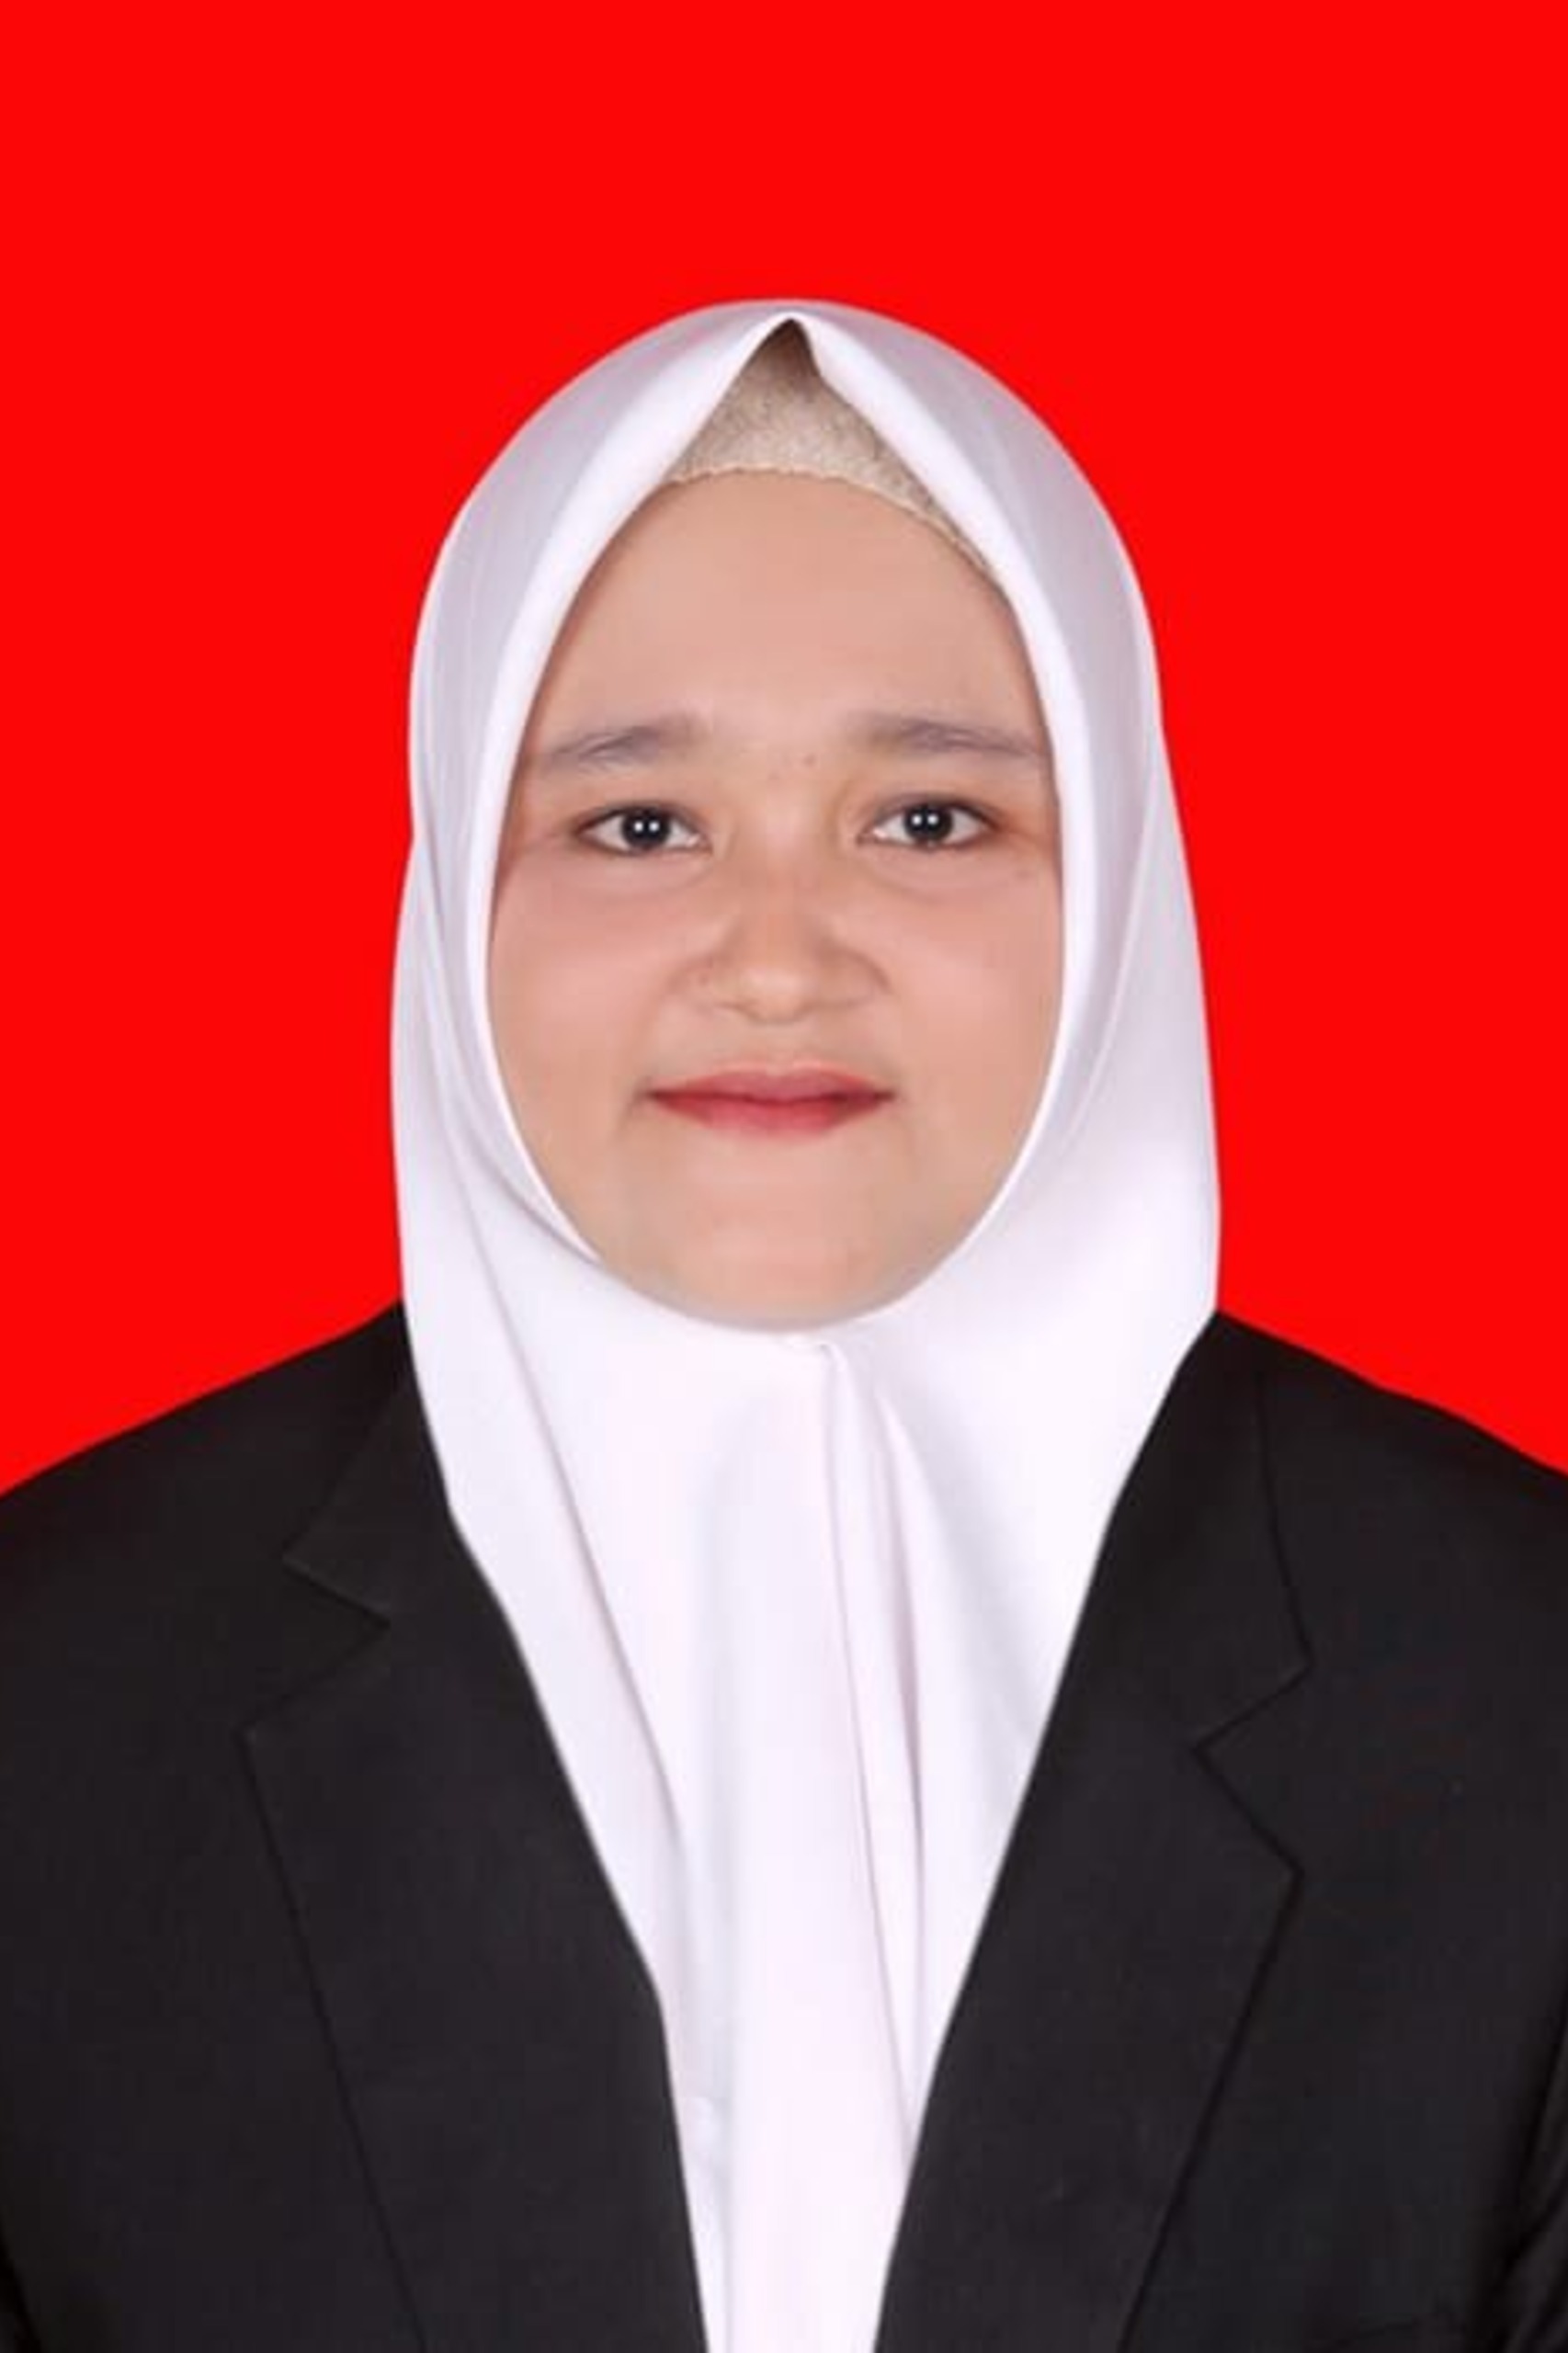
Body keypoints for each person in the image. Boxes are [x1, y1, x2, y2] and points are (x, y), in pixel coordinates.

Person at [0, 300, 1565, 2353]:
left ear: (1119, 882)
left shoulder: (1512, 1670)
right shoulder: (54, 1685)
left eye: (927, 820)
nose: (771, 960)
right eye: (637, 825)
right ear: (455, 884)